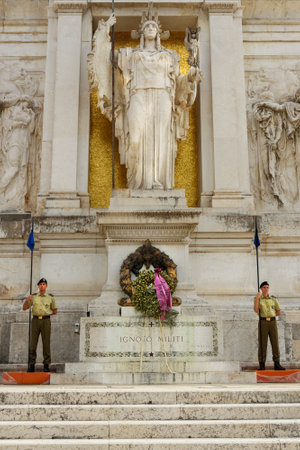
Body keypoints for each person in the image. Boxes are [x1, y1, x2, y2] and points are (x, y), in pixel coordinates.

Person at [87, 8, 203, 190]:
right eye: (147, 26)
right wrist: (104, 30)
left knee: (162, 139)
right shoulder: (129, 55)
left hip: (163, 96)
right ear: (141, 33)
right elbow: (104, 58)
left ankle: (158, 182)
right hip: (137, 96)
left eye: (153, 26)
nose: (150, 28)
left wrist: (190, 78)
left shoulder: (170, 56)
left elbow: (178, 82)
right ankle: (136, 183)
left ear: (158, 33)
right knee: (135, 140)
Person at [23, 278, 57, 372]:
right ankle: (31, 364)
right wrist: (27, 300)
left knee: (46, 343)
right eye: (40, 284)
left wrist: (46, 313)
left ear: (46, 286)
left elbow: (55, 310)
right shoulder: (33, 297)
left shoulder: (50, 297)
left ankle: (46, 365)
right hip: (35, 320)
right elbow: (24, 308)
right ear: (38, 286)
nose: (42, 286)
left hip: (46, 321)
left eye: (44, 284)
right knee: (33, 343)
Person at [254, 281, 285, 370]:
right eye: (264, 287)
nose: (266, 289)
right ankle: (262, 363)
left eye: (267, 287)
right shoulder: (258, 298)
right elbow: (256, 310)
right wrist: (257, 299)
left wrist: (271, 314)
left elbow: (278, 311)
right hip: (263, 322)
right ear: (261, 289)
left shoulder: (273, 299)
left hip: (272, 322)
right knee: (262, 343)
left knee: (275, 342)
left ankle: (277, 363)